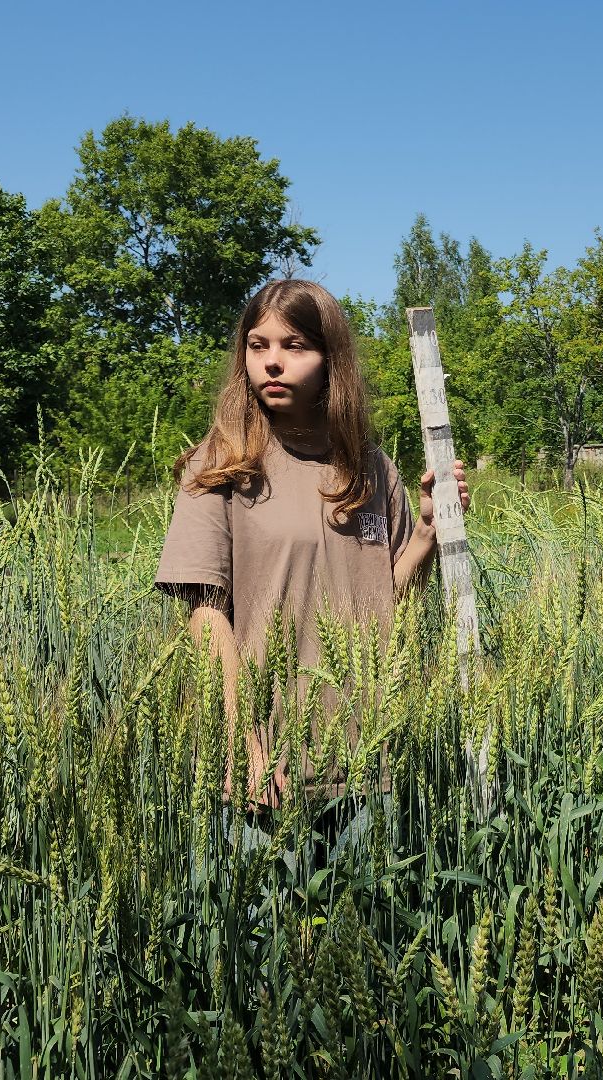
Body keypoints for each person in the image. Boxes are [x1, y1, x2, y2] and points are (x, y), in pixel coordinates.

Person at [154, 278, 468, 810]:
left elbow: (382, 603)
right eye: (259, 346)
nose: (271, 363)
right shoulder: (221, 464)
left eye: (293, 346)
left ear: (330, 359)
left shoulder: (369, 467)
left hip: (369, 760)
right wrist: (243, 745)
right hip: (264, 767)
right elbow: (207, 618)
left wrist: (426, 534)